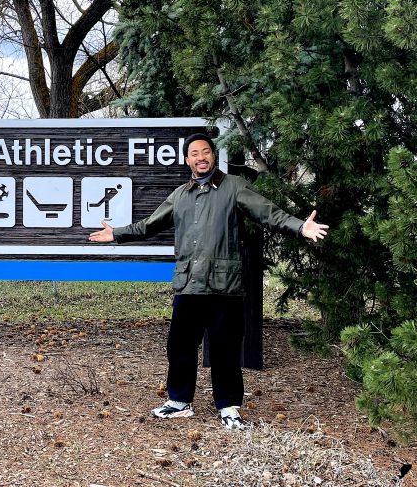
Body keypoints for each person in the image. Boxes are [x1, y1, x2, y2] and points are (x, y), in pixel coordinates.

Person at [88, 133, 328, 430]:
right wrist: (117, 234)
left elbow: (269, 213)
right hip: (189, 284)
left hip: (224, 285)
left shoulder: (234, 187)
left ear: (213, 156)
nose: (201, 157)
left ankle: (228, 407)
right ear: (187, 160)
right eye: (194, 153)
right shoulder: (180, 195)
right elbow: (149, 225)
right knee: (179, 345)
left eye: (205, 152)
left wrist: (299, 226)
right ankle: (179, 401)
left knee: (226, 348)